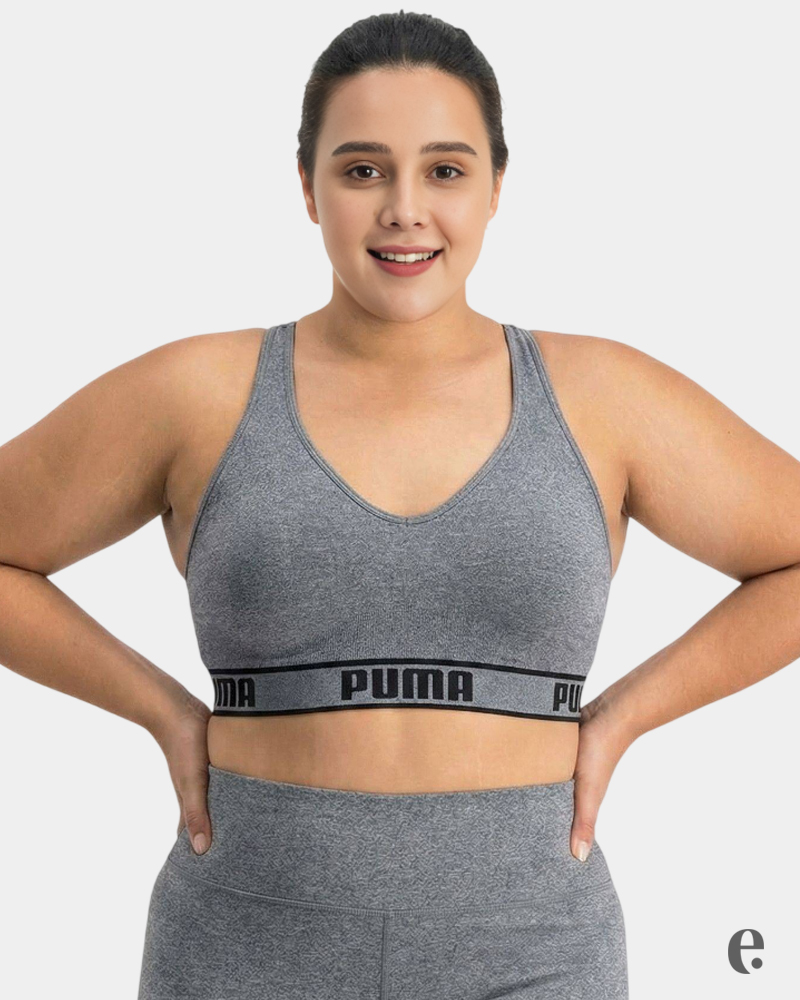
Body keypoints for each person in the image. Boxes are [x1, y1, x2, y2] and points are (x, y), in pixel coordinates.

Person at [1, 10, 799, 999]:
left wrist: (620, 718)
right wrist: (161, 711)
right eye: (363, 170)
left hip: (532, 948)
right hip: (244, 942)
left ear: (497, 187)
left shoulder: (604, 398)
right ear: (307, 187)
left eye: (445, 170)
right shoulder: (196, 393)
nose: (404, 209)